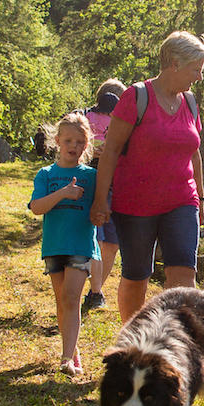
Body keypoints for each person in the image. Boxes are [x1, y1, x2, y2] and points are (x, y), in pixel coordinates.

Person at [91, 32, 204, 324]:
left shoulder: (190, 102)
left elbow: (195, 153)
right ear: (174, 63)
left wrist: (202, 198)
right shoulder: (136, 97)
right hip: (135, 204)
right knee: (136, 275)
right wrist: (99, 201)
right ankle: (134, 342)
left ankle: (176, 343)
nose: (200, 77)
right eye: (196, 69)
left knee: (183, 274)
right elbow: (111, 151)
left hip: (182, 200)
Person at [30, 112, 100, 377]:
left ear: (86, 145)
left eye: (80, 142)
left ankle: (66, 358)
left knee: (72, 298)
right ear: (57, 141)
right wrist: (63, 193)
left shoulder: (92, 176)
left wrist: (102, 213)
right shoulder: (46, 174)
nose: (74, 147)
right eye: (68, 140)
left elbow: (102, 205)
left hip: (81, 245)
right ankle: (73, 349)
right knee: (62, 302)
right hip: (54, 245)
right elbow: (37, 207)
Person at [82, 77, 129, 314]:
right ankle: (95, 290)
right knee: (98, 239)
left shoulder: (127, 122)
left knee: (111, 243)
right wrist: (92, 149)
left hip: (117, 185)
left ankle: (95, 289)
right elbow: (71, 142)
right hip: (91, 182)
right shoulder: (86, 117)